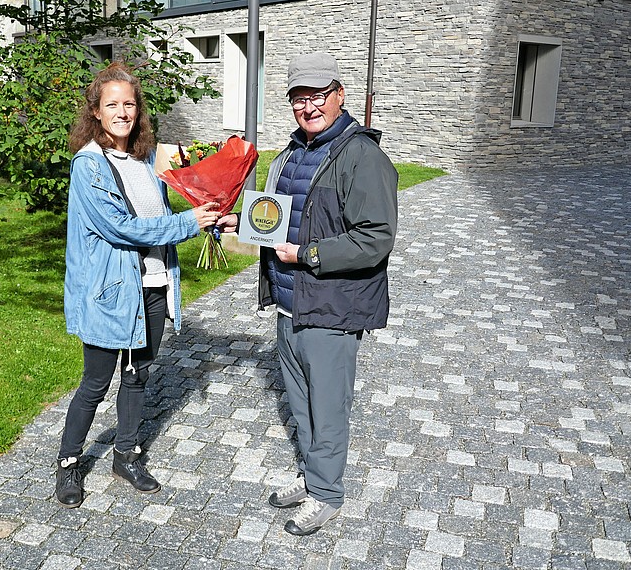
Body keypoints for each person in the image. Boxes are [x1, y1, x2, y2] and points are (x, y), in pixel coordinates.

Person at [218, 52, 398, 536]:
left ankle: (326, 494)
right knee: (301, 404)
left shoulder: (362, 157)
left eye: (318, 95)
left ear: (340, 94)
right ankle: (314, 476)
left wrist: (308, 255)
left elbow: (375, 237)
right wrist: (241, 222)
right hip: (288, 301)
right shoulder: (291, 154)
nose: (308, 105)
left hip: (332, 306)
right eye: (299, 97)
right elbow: (277, 219)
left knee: (328, 405)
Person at [56, 63, 221, 507]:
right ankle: (69, 463)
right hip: (110, 291)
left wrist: (210, 210)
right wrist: (189, 223)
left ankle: (126, 454)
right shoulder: (89, 166)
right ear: (95, 111)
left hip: (152, 283)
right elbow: (121, 228)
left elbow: (159, 216)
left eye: (129, 104)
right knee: (96, 382)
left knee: (137, 374)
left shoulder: (145, 159)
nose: (122, 112)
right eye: (112, 104)